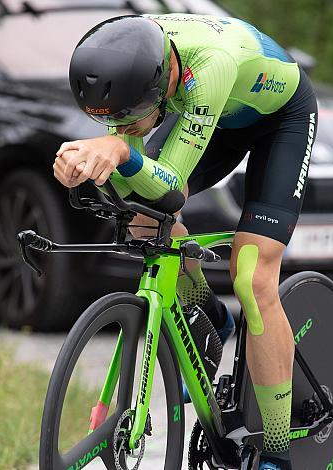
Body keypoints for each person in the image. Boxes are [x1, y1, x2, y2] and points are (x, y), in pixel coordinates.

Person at [54, 14, 317, 470]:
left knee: (252, 278)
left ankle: (277, 450)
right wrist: (81, 165)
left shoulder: (207, 66)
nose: (125, 128)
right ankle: (207, 317)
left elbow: (171, 185)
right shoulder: (130, 56)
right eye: (112, 120)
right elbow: (135, 181)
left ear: (158, 86)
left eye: (131, 119)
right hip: (214, 115)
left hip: (280, 119)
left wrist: (117, 151)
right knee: (142, 221)